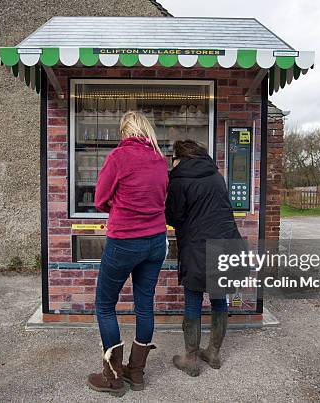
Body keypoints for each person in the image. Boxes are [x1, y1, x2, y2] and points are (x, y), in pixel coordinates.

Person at [87, 111, 168, 397]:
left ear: (125, 131)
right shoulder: (160, 159)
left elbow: (99, 199)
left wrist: (118, 206)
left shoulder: (119, 157)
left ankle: (113, 378)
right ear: (146, 131)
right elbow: (159, 198)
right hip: (157, 240)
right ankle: (136, 372)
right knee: (144, 304)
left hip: (125, 240)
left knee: (105, 305)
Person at [165, 139, 242, 377]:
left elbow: (174, 217)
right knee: (219, 299)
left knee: (193, 300)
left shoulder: (179, 179)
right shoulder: (215, 175)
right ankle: (214, 353)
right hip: (227, 243)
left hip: (198, 247)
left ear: (178, 157)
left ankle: (190, 359)